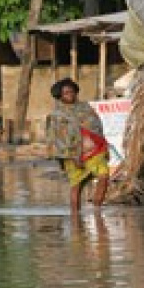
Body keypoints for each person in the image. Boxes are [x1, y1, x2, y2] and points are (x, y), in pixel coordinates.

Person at [46, 78, 109, 219]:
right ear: (60, 96)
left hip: (95, 151)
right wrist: (73, 156)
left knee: (104, 176)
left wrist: (104, 145)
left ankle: (97, 211)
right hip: (73, 154)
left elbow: (97, 127)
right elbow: (58, 139)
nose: (70, 95)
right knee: (77, 184)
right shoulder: (57, 116)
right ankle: (75, 217)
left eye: (72, 91)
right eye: (66, 93)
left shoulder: (86, 108)